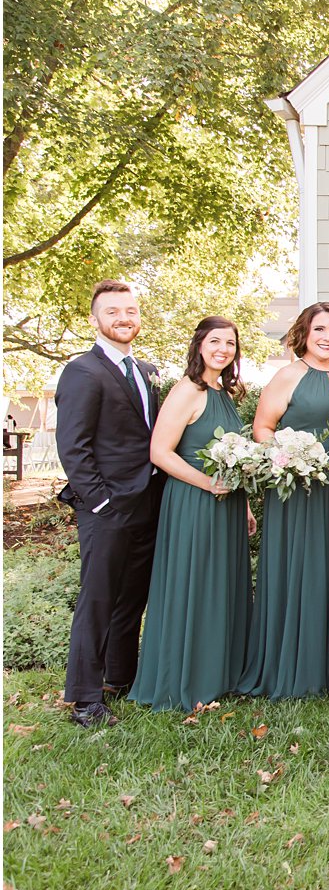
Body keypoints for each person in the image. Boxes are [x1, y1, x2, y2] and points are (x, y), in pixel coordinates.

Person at [128, 317, 256, 711]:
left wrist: (246, 503)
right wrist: (207, 484)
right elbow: (160, 453)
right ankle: (182, 680)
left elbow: (233, 455)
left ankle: (217, 674)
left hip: (227, 503)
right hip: (194, 503)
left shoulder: (223, 392)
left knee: (220, 585)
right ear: (199, 345)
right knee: (194, 584)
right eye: (215, 341)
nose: (223, 349)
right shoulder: (188, 390)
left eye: (230, 343)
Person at [238, 303, 329, 699]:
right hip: (301, 488)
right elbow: (263, 427)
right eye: (320, 330)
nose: (328, 338)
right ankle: (299, 666)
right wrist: (290, 459)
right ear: (304, 334)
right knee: (306, 568)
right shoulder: (288, 375)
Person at [56, 280, 164, 727]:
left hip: (146, 503)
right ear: (95, 319)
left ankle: (119, 677)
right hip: (107, 507)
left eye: (131, 311)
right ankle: (84, 699)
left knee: (131, 599)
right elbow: (73, 446)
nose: (124, 318)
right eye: (114, 311)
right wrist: (99, 502)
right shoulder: (83, 370)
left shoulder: (143, 370)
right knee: (98, 599)